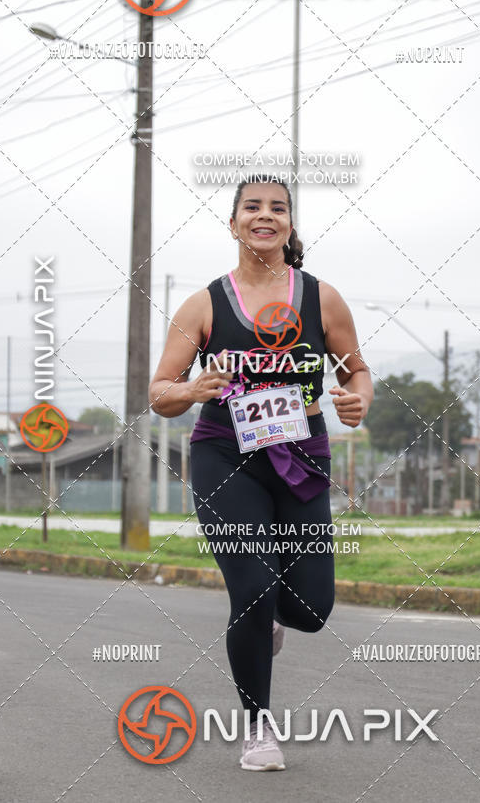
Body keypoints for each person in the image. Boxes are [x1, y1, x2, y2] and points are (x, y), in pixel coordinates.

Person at [149, 174, 373, 771]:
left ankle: (274, 617)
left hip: (301, 456)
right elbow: (160, 393)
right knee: (251, 590)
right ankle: (258, 729)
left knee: (310, 610)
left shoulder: (322, 299)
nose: (264, 215)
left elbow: (356, 372)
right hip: (225, 456)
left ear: (290, 226)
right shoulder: (203, 305)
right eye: (252, 207)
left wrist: (357, 398)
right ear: (234, 223)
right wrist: (193, 388)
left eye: (278, 207)